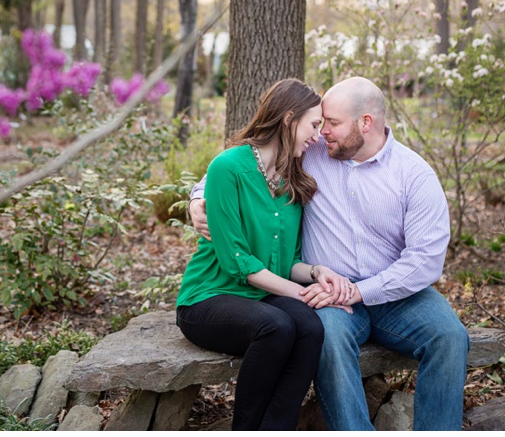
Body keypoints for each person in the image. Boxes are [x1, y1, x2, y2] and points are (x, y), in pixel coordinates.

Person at [190, 76, 470, 431]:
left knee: (449, 337)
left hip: (396, 293)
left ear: (365, 123)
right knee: (329, 341)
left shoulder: (413, 175)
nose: (322, 133)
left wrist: (361, 290)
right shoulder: (311, 153)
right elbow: (237, 168)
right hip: (329, 292)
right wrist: (197, 200)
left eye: (332, 123)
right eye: (320, 123)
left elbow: (425, 261)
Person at [176, 78, 353, 431]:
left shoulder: (292, 180)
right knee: (276, 325)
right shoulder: (228, 168)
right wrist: (308, 296)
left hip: (259, 295)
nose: (317, 135)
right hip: (209, 297)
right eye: (313, 124)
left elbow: (288, 262)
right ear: (289, 118)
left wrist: (318, 273)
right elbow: (236, 262)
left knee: (308, 326)